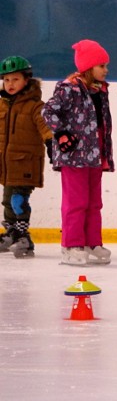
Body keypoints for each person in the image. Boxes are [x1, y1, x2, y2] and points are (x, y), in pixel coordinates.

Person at [43, 40, 115, 266]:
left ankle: (91, 242)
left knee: (94, 202)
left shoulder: (100, 90)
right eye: (101, 65)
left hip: (95, 154)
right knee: (76, 201)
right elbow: (48, 111)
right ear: (88, 67)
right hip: (74, 155)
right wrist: (62, 133)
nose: (106, 70)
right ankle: (71, 244)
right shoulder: (69, 88)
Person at [0, 56, 53, 258]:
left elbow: (45, 126)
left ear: (26, 80)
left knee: (17, 200)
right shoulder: (2, 105)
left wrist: (50, 142)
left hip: (25, 162)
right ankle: (11, 232)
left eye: (15, 79)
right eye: (6, 80)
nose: (10, 84)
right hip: (6, 164)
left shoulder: (35, 106)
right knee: (7, 200)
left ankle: (24, 236)